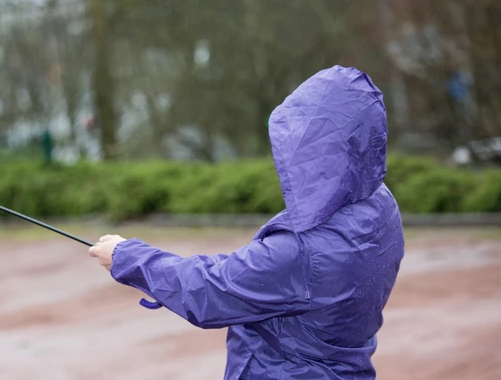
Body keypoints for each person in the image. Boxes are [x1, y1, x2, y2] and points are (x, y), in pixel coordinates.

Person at [89, 65, 405, 380]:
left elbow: (210, 290)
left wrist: (126, 256)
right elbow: (255, 275)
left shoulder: (302, 253)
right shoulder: (381, 205)